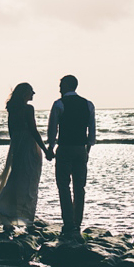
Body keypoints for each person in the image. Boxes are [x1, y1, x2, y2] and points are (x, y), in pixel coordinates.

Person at [0, 83, 54, 228]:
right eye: (31, 91)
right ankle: (26, 216)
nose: (33, 94)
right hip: (28, 145)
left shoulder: (12, 109)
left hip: (16, 145)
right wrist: (45, 150)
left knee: (15, 178)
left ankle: (8, 211)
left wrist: (15, 146)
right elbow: (33, 130)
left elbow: (11, 130)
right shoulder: (28, 109)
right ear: (24, 93)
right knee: (29, 180)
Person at [46, 75, 96, 236]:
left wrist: (51, 146)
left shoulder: (59, 104)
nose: (59, 88)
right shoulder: (88, 104)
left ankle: (68, 222)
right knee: (79, 187)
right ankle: (77, 221)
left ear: (68, 85)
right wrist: (88, 148)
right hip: (81, 148)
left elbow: (53, 128)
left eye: (61, 85)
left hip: (65, 147)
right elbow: (92, 130)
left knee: (63, 185)